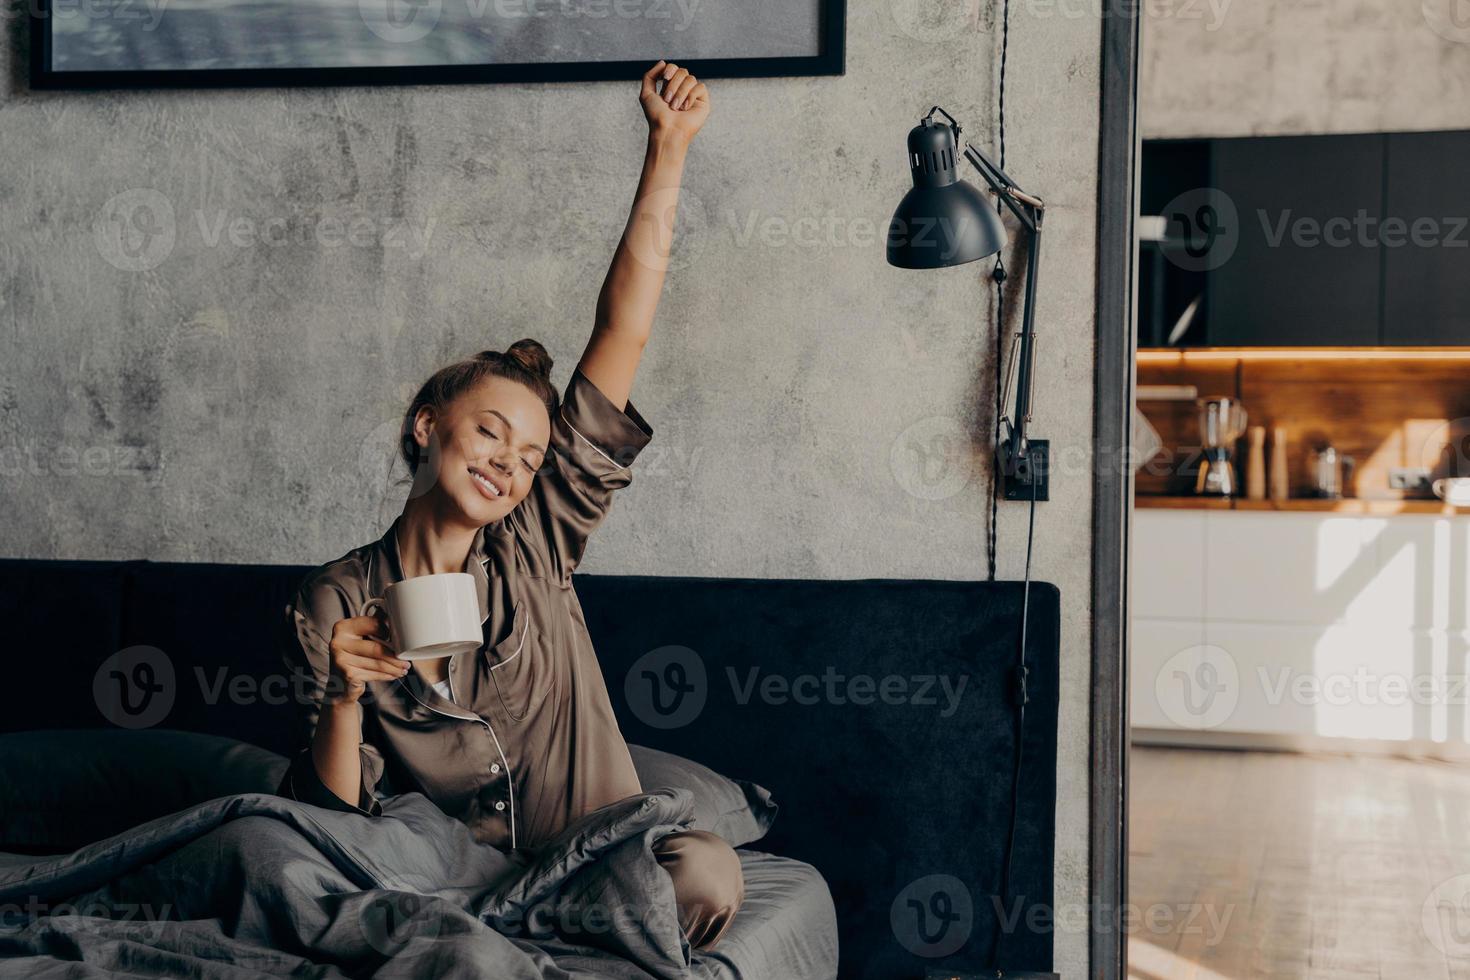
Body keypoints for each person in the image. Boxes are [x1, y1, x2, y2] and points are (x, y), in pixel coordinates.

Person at [277, 61, 743, 951]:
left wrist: (668, 151)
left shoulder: (538, 537)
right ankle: (495, 932)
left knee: (706, 873)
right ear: (427, 426)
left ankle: (500, 934)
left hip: (597, 855)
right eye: (490, 433)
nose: (509, 465)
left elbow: (622, 331)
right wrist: (343, 696)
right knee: (287, 866)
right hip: (453, 870)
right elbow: (334, 819)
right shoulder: (332, 601)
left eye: (529, 456)